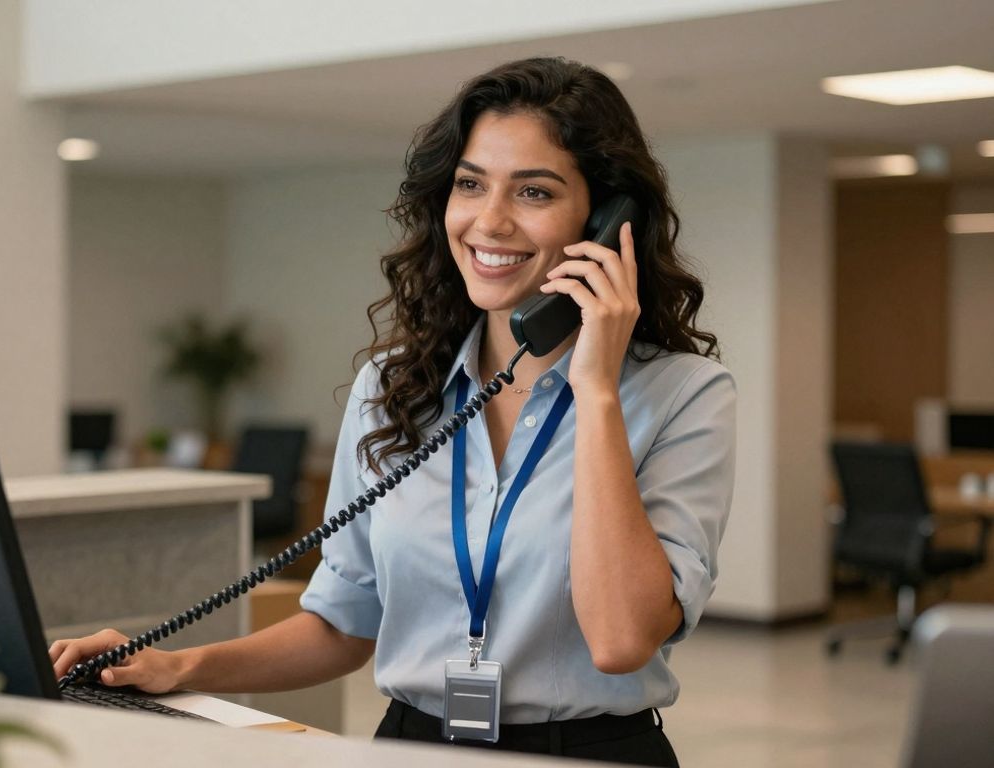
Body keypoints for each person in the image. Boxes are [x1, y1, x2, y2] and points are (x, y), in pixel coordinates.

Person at [49, 56, 734, 766]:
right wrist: (175, 666)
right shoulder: (394, 386)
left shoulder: (684, 395)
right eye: (470, 184)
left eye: (534, 191)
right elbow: (344, 624)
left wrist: (595, 390)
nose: (490, 221)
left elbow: (622, 641)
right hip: (410, 745)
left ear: (607, 221)